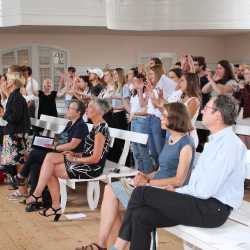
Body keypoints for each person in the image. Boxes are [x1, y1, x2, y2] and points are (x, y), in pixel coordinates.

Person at [111, 95, 247, 250]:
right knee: (141, 215)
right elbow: (200, 184)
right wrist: (177, 192)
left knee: (141, 193)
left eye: (207, 108)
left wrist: (177, 192)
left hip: (212, 209)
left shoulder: (229, 145)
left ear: (218, 115)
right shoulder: (216, 141)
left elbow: (205, 190)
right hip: (201, 202)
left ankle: (118, 246)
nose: (202, 110)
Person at [77, 102, 195, 250]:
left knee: (111, 201)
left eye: (164, 116)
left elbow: (179, 180)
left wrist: (148, 181)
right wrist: (144, 175)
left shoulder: (186, 144)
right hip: (152, 185)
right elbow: (160, 169)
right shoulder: (169, 138)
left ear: (175, 118)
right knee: (110, 195)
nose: (161, 119)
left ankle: (104, 245)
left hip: (166, 192)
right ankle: (104, 244)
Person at [25, 99, 111, 221]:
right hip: (85, 161)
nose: (86, 109)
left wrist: (75, 158)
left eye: (90, 106)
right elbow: (88, 152)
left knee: (50, 166)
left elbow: (96, 158)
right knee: (49, 162)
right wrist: (75, 153)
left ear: (98, 111)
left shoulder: (101, 130)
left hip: (91, 168)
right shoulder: (96, 126)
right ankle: (45, 199)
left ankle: (45, 200)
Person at [13, 100, 88, 206]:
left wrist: (54, 146)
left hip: (69, 156)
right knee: (35, 163)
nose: (67, 110)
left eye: (70, 108)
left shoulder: (81, 126)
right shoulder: (70, 123)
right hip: (58, 152)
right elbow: (62, 140)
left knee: (34, 155)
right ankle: (35, 197)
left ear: (78, 112)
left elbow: (72, 145)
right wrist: (49, 142)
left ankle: (22, 177)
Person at [0, 67, 30, 184]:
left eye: (7, 79)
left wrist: (3, 114)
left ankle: (22, 191)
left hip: (16, 134)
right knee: (17, 163)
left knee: (20, 163)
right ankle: (20, 189)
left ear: (12, 81)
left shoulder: (16, 97)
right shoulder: (13, 96)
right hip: (13, 132)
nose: (5, 82)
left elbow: (15, 118)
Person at [180, 73, 201, 148]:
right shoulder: (182, 97)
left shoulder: (193, 101)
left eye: (182, 81)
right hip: (179, 133)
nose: (179, 83)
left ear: (190, 82)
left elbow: (185, 120)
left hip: (188, 135)